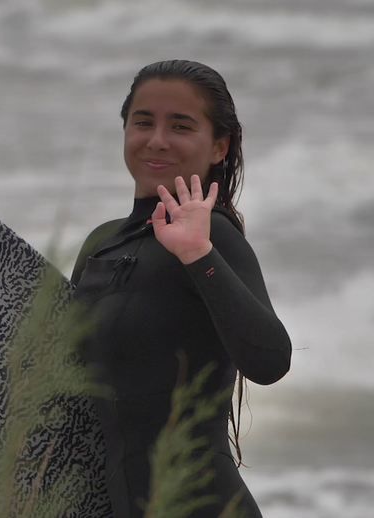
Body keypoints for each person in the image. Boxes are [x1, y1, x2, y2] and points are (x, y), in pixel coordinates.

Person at [70, 60, 292, 518]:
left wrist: (198, 255)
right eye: (143, 122)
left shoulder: (214, 238)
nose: (157, 139)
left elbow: (270, 361)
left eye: (181, 125)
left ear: (218, 147)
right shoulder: (101, 244)